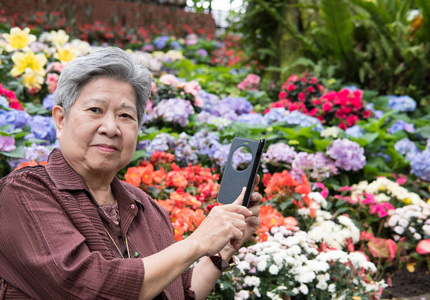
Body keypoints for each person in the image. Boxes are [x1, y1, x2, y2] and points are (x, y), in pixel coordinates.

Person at [0, 47, 262, 299]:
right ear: (60, 119)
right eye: (95, 110)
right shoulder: (22, 195)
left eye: (125, 115)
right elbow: (88, 289)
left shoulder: (146, 208)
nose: (111, 128)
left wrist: (224, 246)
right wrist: (197, 242)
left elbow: (179, 291)